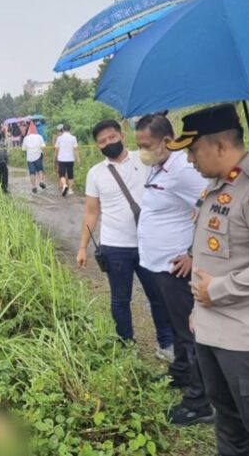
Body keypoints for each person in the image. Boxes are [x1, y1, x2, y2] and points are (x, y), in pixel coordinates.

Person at [169, 103, 249, 455]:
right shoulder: (215, 186)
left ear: (221, 146)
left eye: (194, 151)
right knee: (228, 426)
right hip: (213, 333)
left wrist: (218, 289)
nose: (190, 160)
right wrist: (200, 309)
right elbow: (211, 256)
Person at [134, 114, 212, 426]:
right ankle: (181, 373)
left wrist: (195, 254)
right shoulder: (158, 164)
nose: (142, 150)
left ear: (167, 141)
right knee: (177, 325)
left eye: (147, 144)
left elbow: (213, 205)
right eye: (139, 144)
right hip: (158, 263)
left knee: (189, 331)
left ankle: (200, 400)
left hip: (176, 265)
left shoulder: (183, 169)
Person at [76, 119, 174, 359]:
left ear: (122, 135)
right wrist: (82, 247)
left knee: (158, 297)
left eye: (111, 137)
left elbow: (172, 167)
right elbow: (91, 211)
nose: (108, 143)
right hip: (115, 247)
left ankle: (166, 344)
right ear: (97, 146)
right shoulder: (95, 173)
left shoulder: (144, 159)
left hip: (148, 244)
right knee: (120, 300)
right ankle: (126, 346)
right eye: (102, 141)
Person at [54, 123, 80, 197]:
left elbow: (56, 149)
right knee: (70, 174)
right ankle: (70, 189)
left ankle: (64, 185)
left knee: (62, 174)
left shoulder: (59, 138)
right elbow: (76, 149)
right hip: (70, 159)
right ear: (70, 129)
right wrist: (78, 158)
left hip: (61, 159)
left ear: (63, 129)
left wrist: (55, 157)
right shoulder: (73, 138)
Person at [21, 121, 47, 194]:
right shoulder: (39, 137)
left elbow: (23, 149)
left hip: (29, 157)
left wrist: (28, 153)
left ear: (29, 130)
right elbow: (43, 146)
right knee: (40, 170)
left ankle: (33, 186)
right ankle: (41, 181)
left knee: (32, 172)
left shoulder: (26, 138)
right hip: (38, 155)